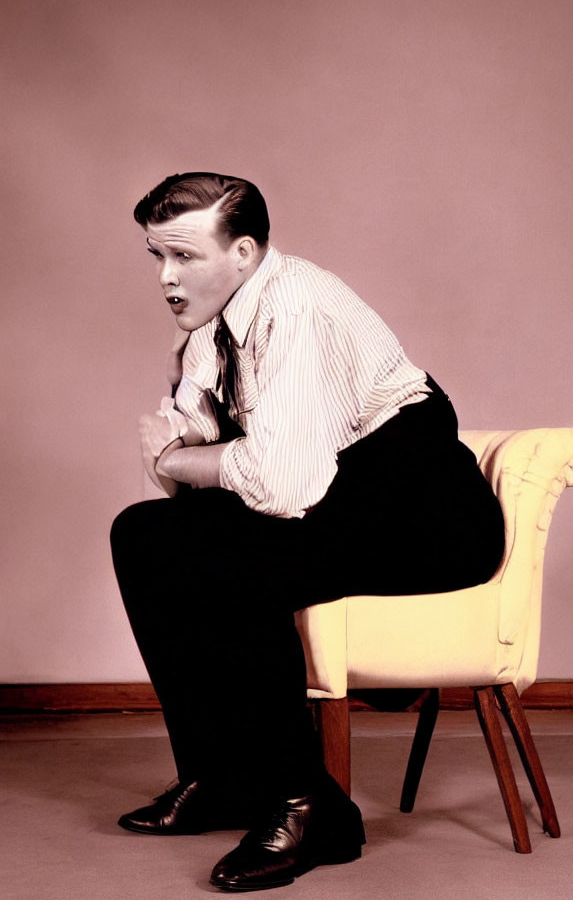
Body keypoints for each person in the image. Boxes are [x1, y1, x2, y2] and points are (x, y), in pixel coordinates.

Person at [110, 172, 505, 892]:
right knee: (141, 536)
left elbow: (281, 483)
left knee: (238, 562)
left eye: (185, 257)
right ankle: (221, 776)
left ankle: (306, 803)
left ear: (244, 251)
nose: (167, 277)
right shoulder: (214, 323)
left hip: (427, 515)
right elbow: (186, 478)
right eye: (156, 257)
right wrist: (187, 452)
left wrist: (181, 455)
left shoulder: (295, 309)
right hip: (348, 498)